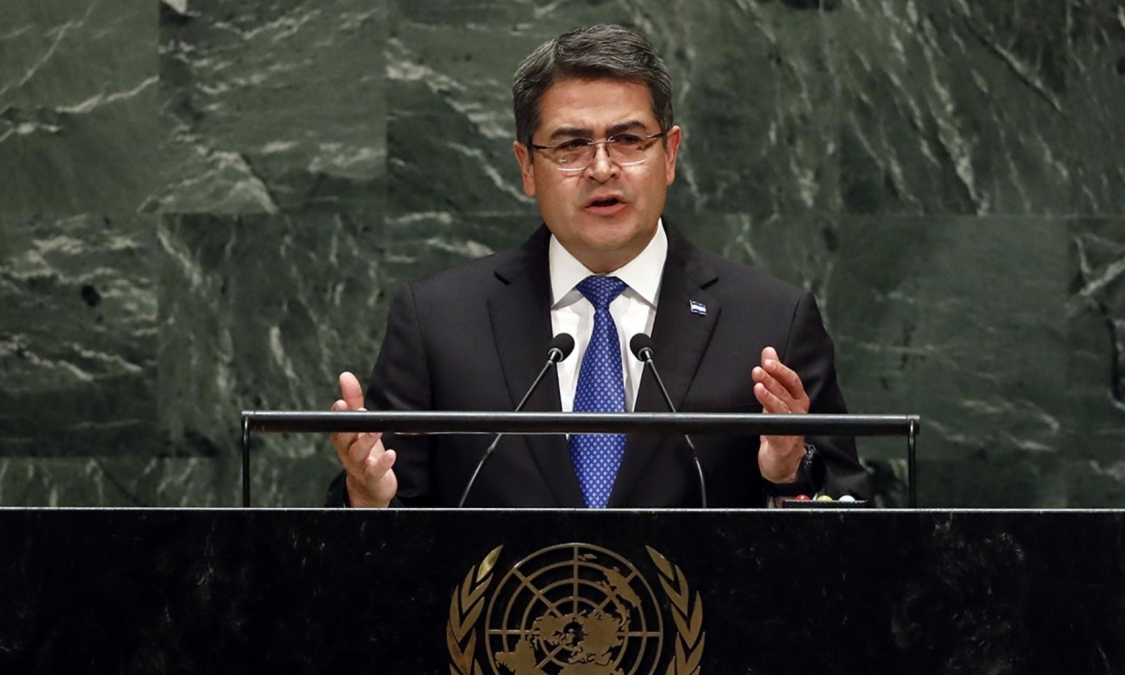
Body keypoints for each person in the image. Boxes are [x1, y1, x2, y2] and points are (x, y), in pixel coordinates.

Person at [327, 24, 871, 508]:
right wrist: (367, 501)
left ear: (670, 154)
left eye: (629, 140)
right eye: (571, 146)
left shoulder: (770, 322)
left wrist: (789, 473)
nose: (603, 168)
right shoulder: (439, 321)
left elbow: (853, 526)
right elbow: (387, 532)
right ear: (527, 166)